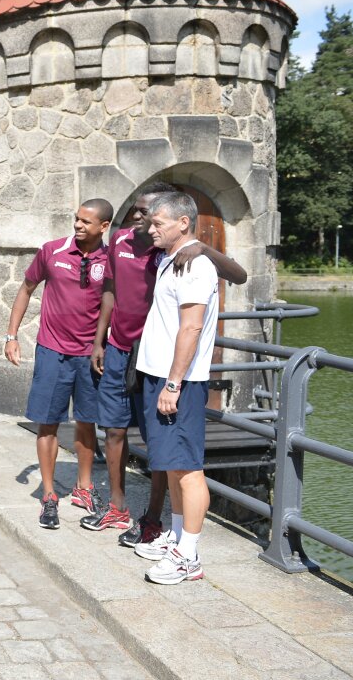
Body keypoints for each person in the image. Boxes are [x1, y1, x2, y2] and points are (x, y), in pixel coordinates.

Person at [87, 183, 246, 543]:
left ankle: (158, 522)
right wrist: (100, 340)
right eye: (141, 213)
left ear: (179, 222)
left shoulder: (179, 254)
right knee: (117, 431)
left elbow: (236, 277)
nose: (145, 220)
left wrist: (200, 246)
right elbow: (109, 289)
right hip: (127, 351)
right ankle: (119, 507)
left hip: (164, 365)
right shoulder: (127, 242)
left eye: (153, 215)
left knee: (163, 448)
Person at [5, 199, 113, 529]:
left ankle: (84, 488)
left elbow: (114, 304)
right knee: (47, 422)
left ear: (103, 227)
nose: (78, 225)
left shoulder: (110, 260)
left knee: (86, 421)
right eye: (76, 219)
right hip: (52, 351)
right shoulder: (51, 251)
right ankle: (49, 495)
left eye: (86, 222)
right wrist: (11, 336)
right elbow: (26, 289)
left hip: (89, 354)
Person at [132, 192, 221, 584]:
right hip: (159, 375)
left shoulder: (195, 265)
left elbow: (192, 326)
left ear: (183, 223)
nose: (150, 229)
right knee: (171, 463)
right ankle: (179, 537)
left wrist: (173, 382)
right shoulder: (172, 258)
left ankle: (190, 556)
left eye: (158, 223)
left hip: (178, 381)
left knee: (188, 468)